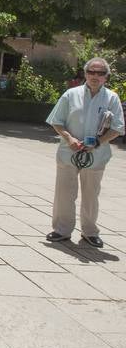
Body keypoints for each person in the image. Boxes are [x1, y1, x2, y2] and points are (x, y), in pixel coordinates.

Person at [46, 57, 124, 247]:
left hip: (96, 154)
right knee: (64, 193)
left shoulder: (112, 98)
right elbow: (56, 121)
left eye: (100, 73)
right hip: (69, 151)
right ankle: (62, 230)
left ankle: (89, 231)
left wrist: (98, 142)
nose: (95, 76)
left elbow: (118, 128)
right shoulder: (70, 94)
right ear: (85, 73)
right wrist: (69, 139)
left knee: (91, 195)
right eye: (91, 72)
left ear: (106, 76)